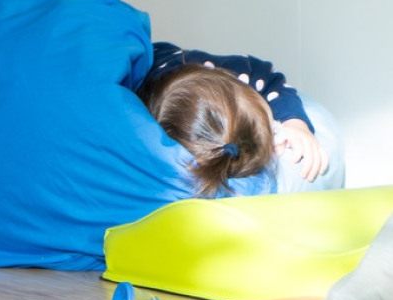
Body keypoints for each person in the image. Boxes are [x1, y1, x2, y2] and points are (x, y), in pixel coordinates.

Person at [137, 42, 343, 197]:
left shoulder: (240, 72)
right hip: (152, 68)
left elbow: (274, 81)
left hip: (171, 59)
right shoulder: (152, 125)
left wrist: (296, 124)